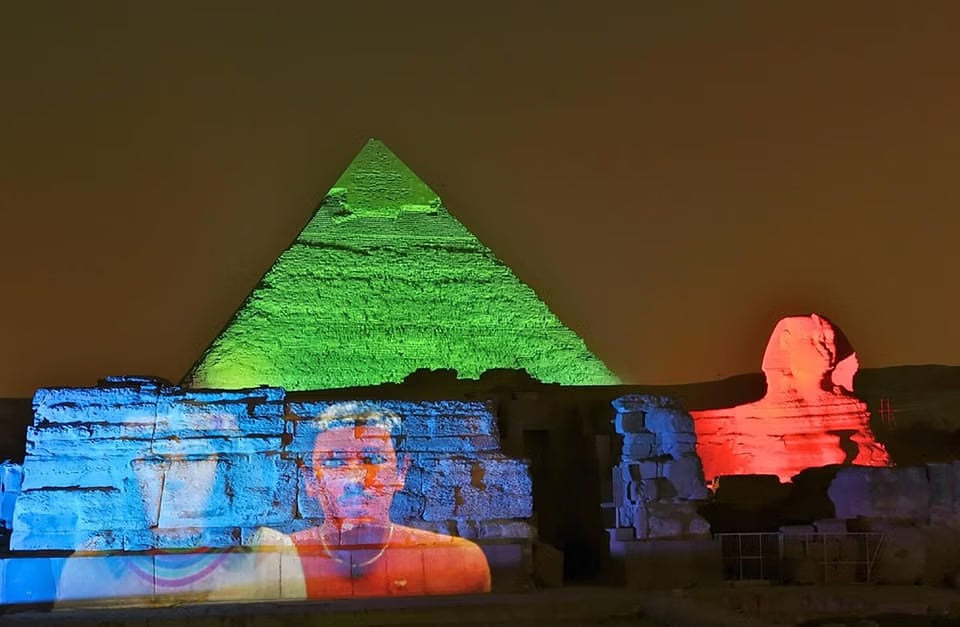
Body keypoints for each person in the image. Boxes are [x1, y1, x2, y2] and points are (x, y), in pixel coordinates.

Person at [255, 402, 491, 598]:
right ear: (310, 479)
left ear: (401, 472)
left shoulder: (457, 562)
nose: (356, 478)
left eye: (373, 459)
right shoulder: (277, 564)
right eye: (334, 462)